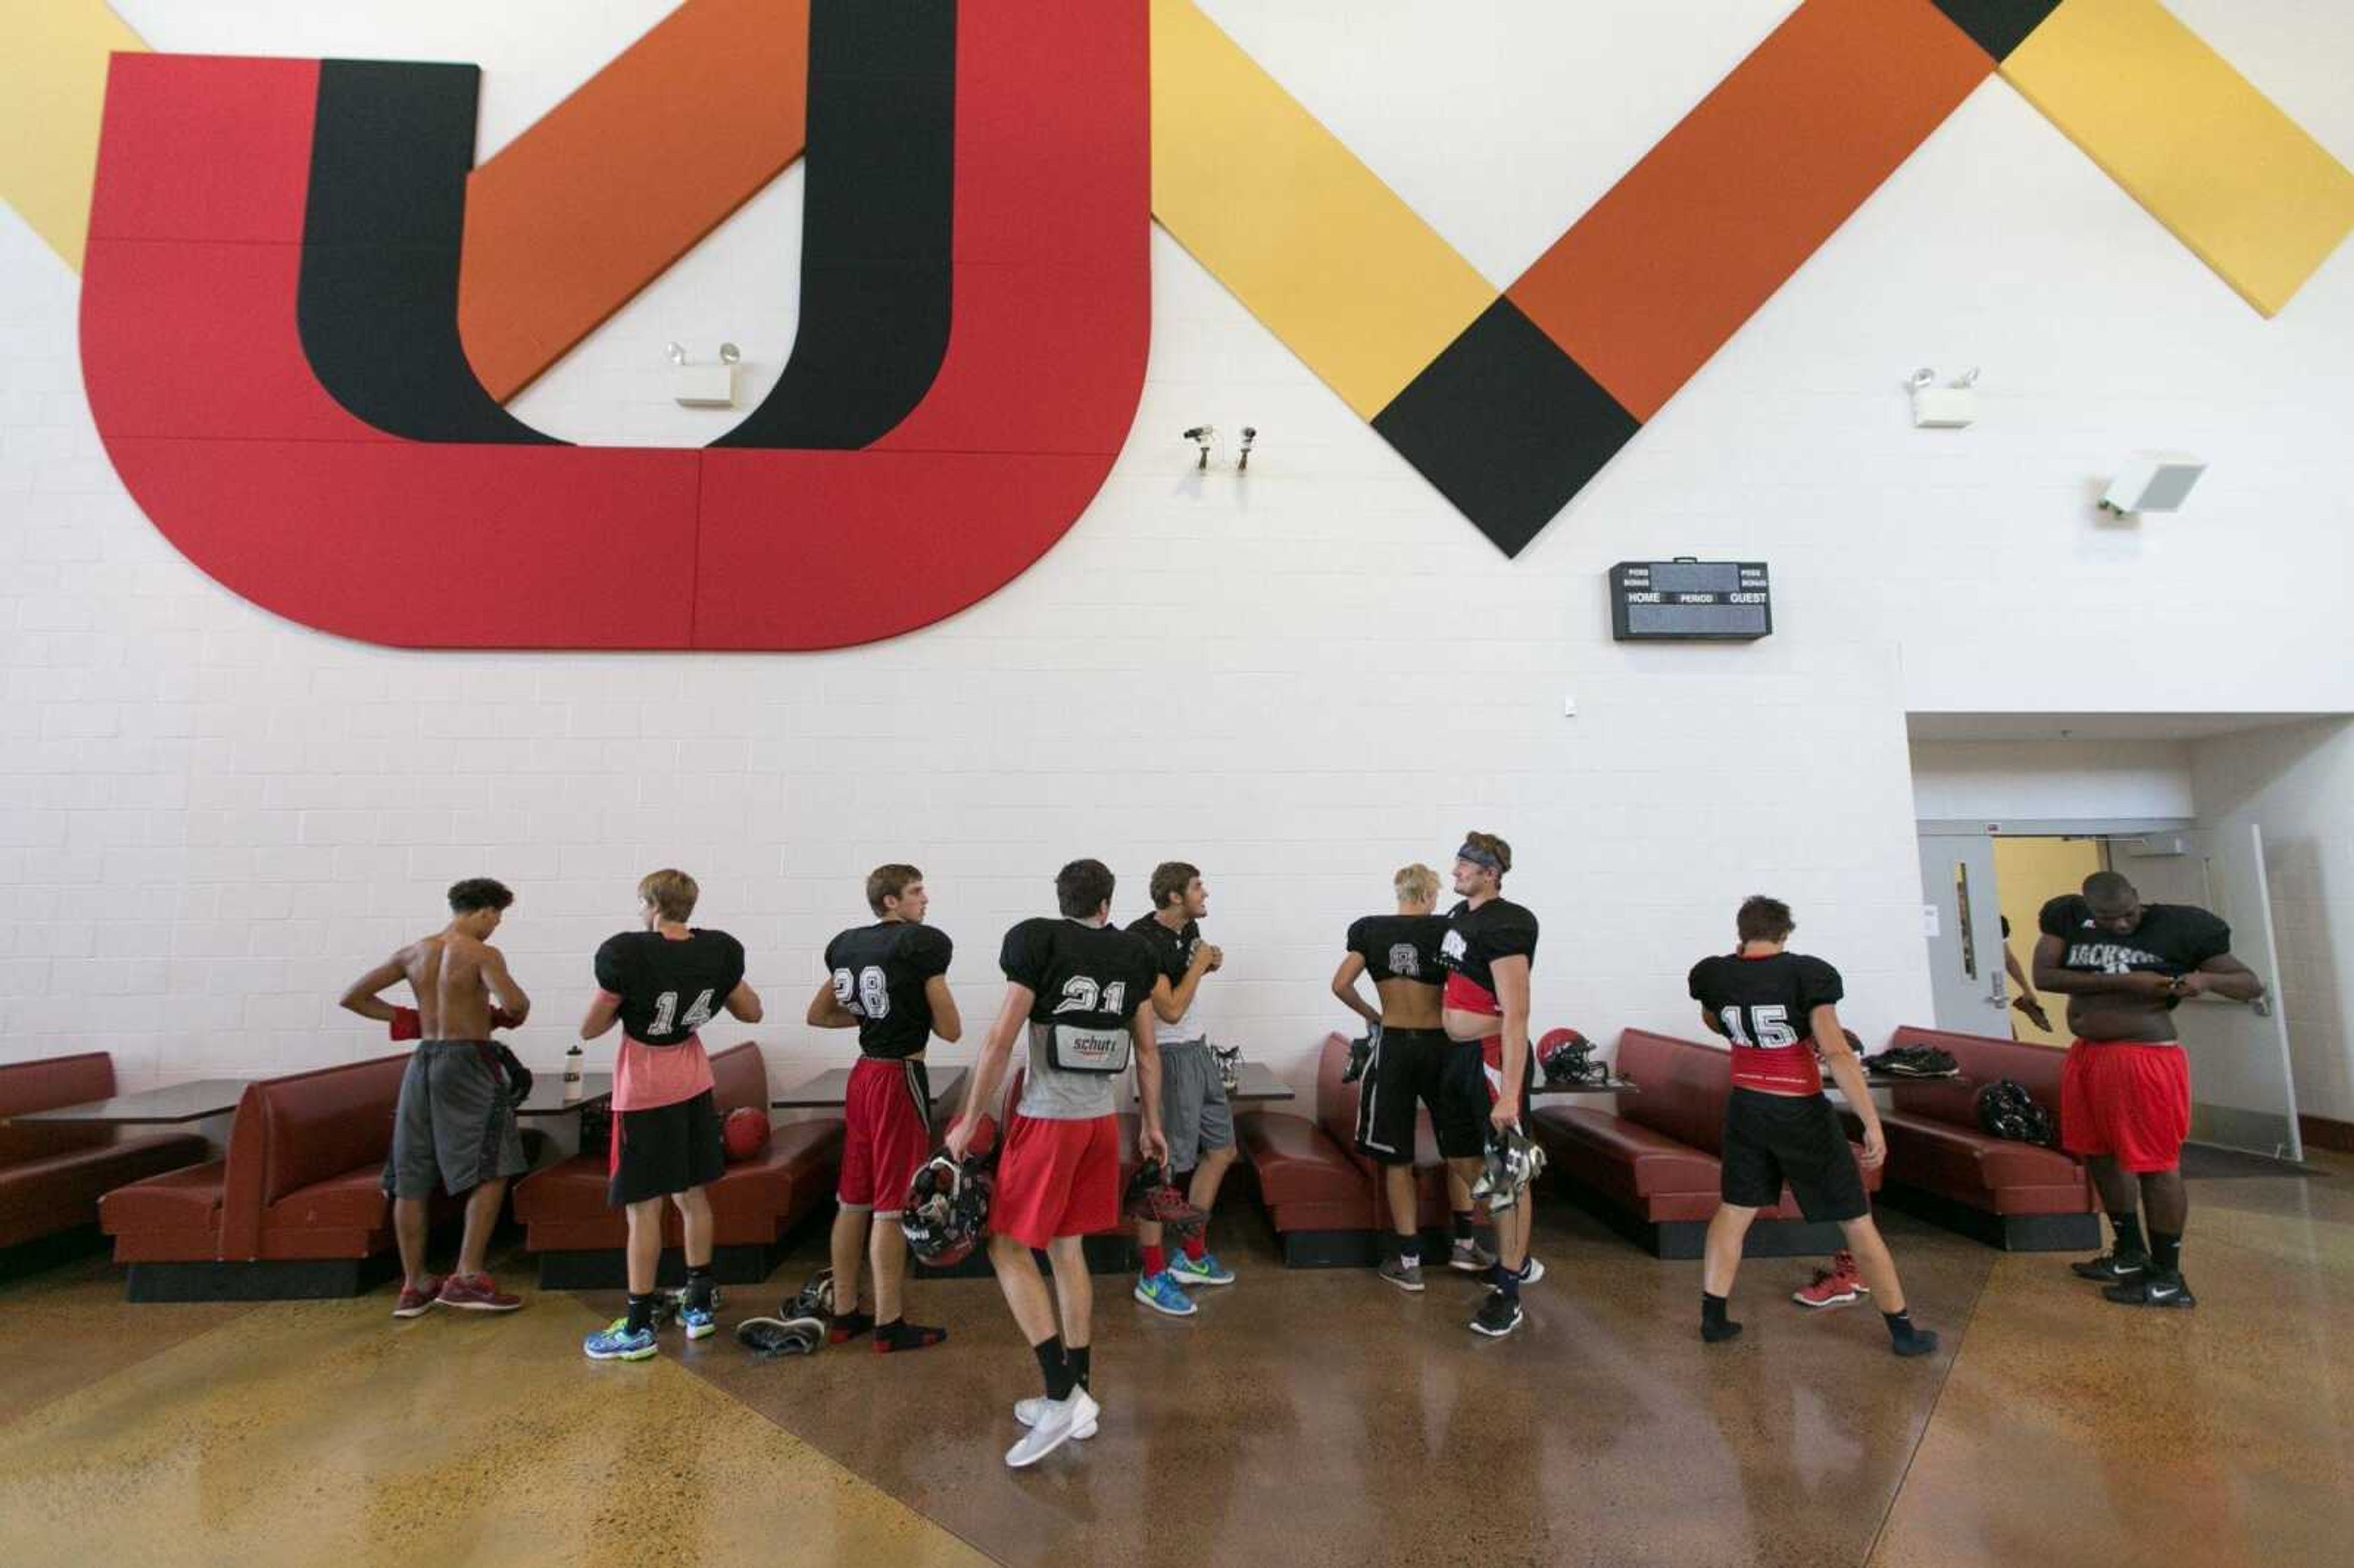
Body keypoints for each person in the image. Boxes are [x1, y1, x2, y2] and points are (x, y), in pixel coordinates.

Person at [944, 859, 1166, 1468]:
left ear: (1061, 898)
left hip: (1048, 1121)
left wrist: (969, 1116)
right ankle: (1080, 1392)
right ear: (1106, 904)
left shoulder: (1038, 940)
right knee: (1067, 1249)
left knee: (1008, 1248)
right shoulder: (1134, 951)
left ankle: (1061, 1392)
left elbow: (999, 1038)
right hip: (1099, 1123)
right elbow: (1147, 1053)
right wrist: (1151, 1125)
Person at [1689, 896, 1937, 1357]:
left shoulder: (1715, 974)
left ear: (1741, 934)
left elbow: (1712, 1017)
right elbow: (1838, 1052)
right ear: (1786, 934)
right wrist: (1871, 1123)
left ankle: (1714, 1316)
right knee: (1856, 1221)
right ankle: (1903, 1331)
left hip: (1746, 1104)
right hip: (1798, 1109)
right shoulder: (1806, 973)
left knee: (1735, 1209)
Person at [2033, 870, 2264, 1308]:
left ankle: (2169, 1275)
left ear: (2138, 898)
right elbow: (2045, 976)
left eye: (2128, 915)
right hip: (2088, 1053)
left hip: (2144, 1057)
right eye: (2107, 919)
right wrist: (2127, 980)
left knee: (2156, 1164)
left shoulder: (2182, 926)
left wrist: (2207, 980)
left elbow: (2250, 984)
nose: (2120, 925)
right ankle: (2129, 1252)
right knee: (2099, 1152)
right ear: (2089, 911)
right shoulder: (2066, 918)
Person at [578, 870, 763, 1361]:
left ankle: (638, 1323)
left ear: (650, 903)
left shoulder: (630, 954)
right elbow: (752, 1012)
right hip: (694, 1084)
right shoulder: (717, 952)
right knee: (692, 1195)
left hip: (643, 1092)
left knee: (643, 1209)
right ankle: (698, 1303)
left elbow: (591, 1027)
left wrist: (626, 1000)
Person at [340, 877, 533, 1319]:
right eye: (497, 916)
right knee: (495, 1164)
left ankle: (415, 1284)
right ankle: (467, 1276)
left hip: (423, 1060)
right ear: (482, 911)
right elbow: (516, 1004)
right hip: (469, 1061)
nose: (497, 925)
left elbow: (353, 997)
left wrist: (410, 1019)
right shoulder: (482, 953)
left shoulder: (413, 952)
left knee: (411, 1171)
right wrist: (500, 1017)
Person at [807, 863, 960, 1352]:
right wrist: (908, 1008)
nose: (925, 900)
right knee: (892, 1207)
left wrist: (875, 1018)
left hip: (863, 1073)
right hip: (899, 1076)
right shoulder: (921, 945)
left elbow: (818, 1014)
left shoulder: (848, 943)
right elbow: (951, 1028)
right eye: (916, 892)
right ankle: (889, 1325)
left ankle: (846, 1311)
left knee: (852, 1200)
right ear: (891, 901)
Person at [1333, 862, 1468, 1292]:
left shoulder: (1371, 931)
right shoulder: (1446, 930)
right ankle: (1465, 1244)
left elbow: (1340, 985)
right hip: (1439, 1044)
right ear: (1430, 896)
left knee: (1396, 1155)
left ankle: (1409, 1260)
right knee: (1460, 1146)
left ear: (1400, 893)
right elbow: (1469, 988)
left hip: (1393, 1044)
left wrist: (1375, 1015)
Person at [1438, 832, 1541, 1338]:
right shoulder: (1460, 919)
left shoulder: (1507, 923)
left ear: (1491, 873)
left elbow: (1517, 1013)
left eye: (1465, 864)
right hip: (1457, 1058)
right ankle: (1514, 1249)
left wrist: (1510, 1093)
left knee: (1507, 1178)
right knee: (1460, 1159)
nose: (1456, 870)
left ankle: (1510, 1289)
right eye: (1458, 861)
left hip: (1492, 1062)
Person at [1126, 861, 1234, 1315]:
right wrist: (1202, 964)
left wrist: (1203, 966)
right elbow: (1168, 1009)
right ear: (1174, 896)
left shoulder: (1187, 931)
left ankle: (1191, 1256)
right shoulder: (1142, 941)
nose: (1204, 893)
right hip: (1166, 1057)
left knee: (1222, 1150)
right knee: (1162, 1170)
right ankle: (1151, 1275)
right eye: (1196, 887)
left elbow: (1182, 986)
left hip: (1199, 1051)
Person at [2002, 915, 2054, 1034]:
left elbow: (2008, 959)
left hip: (1991, 990)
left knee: (2007, 1032)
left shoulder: (1994, 921)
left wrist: (2026, 990)